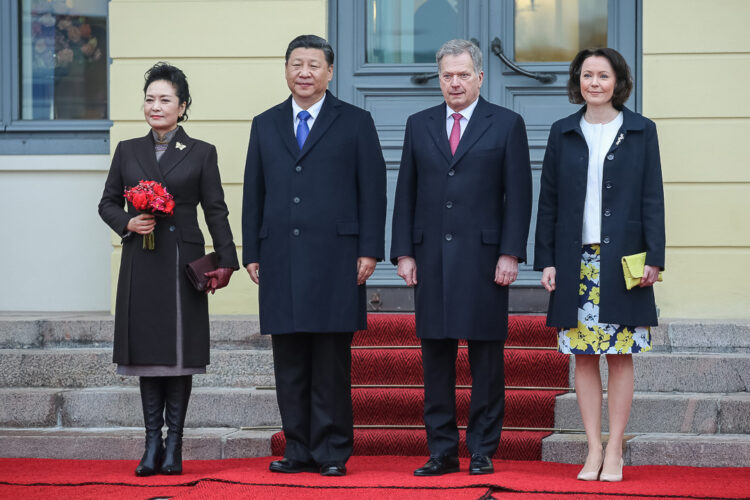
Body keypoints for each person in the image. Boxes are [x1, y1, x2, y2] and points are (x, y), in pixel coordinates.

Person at [242, 34, 387, 477]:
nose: (304, 73)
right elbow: (254, 192)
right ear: (286, 70)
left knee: (329, 362)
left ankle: (332, 452)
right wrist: (253, 250)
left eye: (313, 65)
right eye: (296, 64)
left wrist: (369, 250)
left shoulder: (355, 121)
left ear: (329, 72)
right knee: (289, 362)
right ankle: (298, 448)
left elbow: (373, 191)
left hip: (336, 258)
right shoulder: (265, 123)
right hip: (280, 257)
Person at [391, 39, 532, 476]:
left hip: (486, 258)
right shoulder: (419, 124)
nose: (455, 82)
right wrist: (403, 252)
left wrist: (510, 252)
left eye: (463, 74)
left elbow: (519, 196)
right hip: (430, 257)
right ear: (439, 79)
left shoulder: (507, 123)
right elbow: (406, 192)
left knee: (486, 359)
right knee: (436, 358)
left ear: (480, 77)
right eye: (447, 75)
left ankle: (483, 449)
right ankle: (442, 451)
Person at [98, 62, 238, 476]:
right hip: (142, 260)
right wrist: (127, 222)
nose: (155, 106)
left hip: (181, 261)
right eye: (149, 99)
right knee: (148, 355)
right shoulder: (127, 150)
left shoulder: (201, 152)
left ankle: (175, 444)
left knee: (178, 356)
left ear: (183, 106)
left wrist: (228, 260)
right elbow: (107, 202)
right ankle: (150, 444)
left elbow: (216, 209)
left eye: (165, 100)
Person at [534, 47, 665, 482]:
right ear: (578, 82)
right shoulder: (563, 132)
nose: (594, 83)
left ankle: (615, 449)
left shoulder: (641, 131)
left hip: (623, 261)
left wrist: (655, 258)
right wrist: (546, 260)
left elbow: (652, 199)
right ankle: (592, 449)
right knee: (584, 356)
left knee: (621, 355)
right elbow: (548, 201)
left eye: (603, 76)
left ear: (617, 82)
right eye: (587, 75)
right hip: (576, 261)